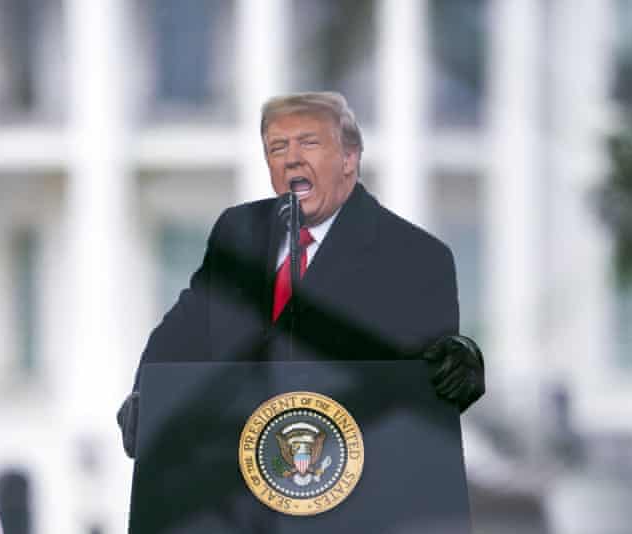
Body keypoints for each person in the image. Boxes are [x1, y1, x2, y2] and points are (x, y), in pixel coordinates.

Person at [118, 91, 484, 458]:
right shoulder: (239, 231)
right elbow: (184, 331)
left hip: (350, 481)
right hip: (235, 481)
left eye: (309, 143)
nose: (292, 159)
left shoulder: (415, 255)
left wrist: (461, 363)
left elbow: (436, 367)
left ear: (348, 158)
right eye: (277, 148)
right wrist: (146, 397)